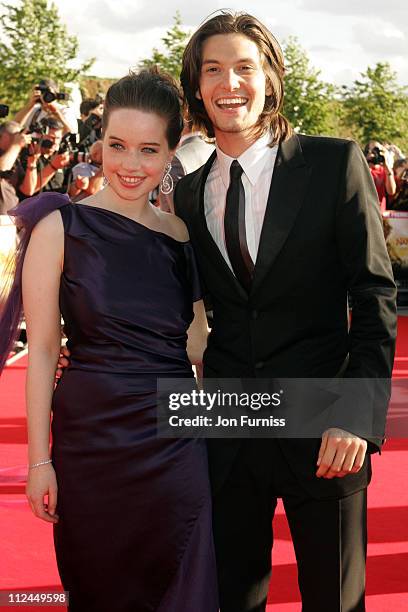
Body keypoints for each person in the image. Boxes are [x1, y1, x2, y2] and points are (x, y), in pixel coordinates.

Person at [172, 11, 397, 612]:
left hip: (327, 427)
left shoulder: (332, 164)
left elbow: (375, 295)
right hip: (227, 426)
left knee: (334, 600)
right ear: (197, 85)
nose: (230, 84)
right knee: (231, 599)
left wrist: (357, 412)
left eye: (245, 67)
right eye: (213, 70)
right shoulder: (189, 194)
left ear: (270, 78)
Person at [0, 69, 218, 612]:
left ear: (172, 154)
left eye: (149, 150)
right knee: (99, 585)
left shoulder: (180, 236)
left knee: (182, 584)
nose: (129, 165)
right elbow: (44, 349)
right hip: (90, 443)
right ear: (100, 144)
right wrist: (39, 462)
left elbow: (197, 344)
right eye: (117, 146)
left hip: (176, 442)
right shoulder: (60, 227)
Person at [364, 140, 396, 211]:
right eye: (375, 151)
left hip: (379, 212)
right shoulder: (362, 168)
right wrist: (366, 162)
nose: (378, 154)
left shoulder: (385, 170)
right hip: (364, 209)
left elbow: (391, 191)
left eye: (380, 151)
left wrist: (386, 166)